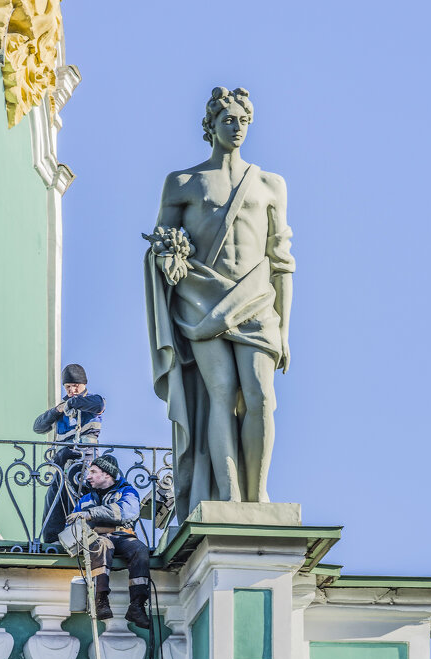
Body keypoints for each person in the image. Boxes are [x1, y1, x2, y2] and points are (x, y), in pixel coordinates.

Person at [144, 87, 295, 522]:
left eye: (243, 120)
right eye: (228, 120)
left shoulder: (270, 185)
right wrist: (168, 256)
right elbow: (161, 246)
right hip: (201, 298)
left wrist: (285, 330)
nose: (237, 127)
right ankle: (229, 497)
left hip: (257, 300)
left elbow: (282, 262)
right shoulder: (183, 183)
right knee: (221, 394)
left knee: (262, 397)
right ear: (210, 126)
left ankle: (258, 493)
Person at [66, 454, 150, 629]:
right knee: (102, 545)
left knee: (140, 550)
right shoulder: (86, 499)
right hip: (100, 539)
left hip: (123, 537)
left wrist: (91, 514)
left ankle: (137, 605)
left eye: (93, 472)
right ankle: (101, 599)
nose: (88, 476)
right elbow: (74, 523)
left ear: (106, 474)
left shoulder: (127, 491)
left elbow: (128, 511)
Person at [33, 363, 105, 542]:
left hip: (85, 461)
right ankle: (51, 541)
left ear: (84, 385)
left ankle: (86, 536)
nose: (72, 390)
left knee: (82, 498)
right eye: (68, 387)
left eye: (76, 386)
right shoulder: (61, 408)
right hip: (62, 461)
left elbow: (99, 405)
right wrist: (58, 410)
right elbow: (38, 426)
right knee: (54, 498)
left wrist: (73, 402)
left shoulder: (93, 400)